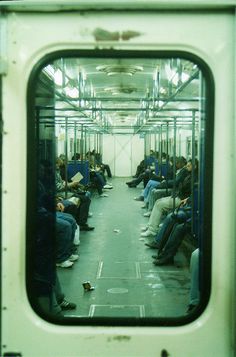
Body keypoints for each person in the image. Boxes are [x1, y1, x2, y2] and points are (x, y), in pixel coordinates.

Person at [141, 159, 197, 237]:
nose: (186, 167)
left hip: (182, 199)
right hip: (178, 196)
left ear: (194, 167)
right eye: (186, 165)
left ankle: (153, 230)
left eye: (188, 166)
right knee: (158, 201)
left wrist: (180, 184)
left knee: (160, 205)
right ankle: (150, 226)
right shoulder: (188, 174)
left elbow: (183, 187)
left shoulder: (193, 177)